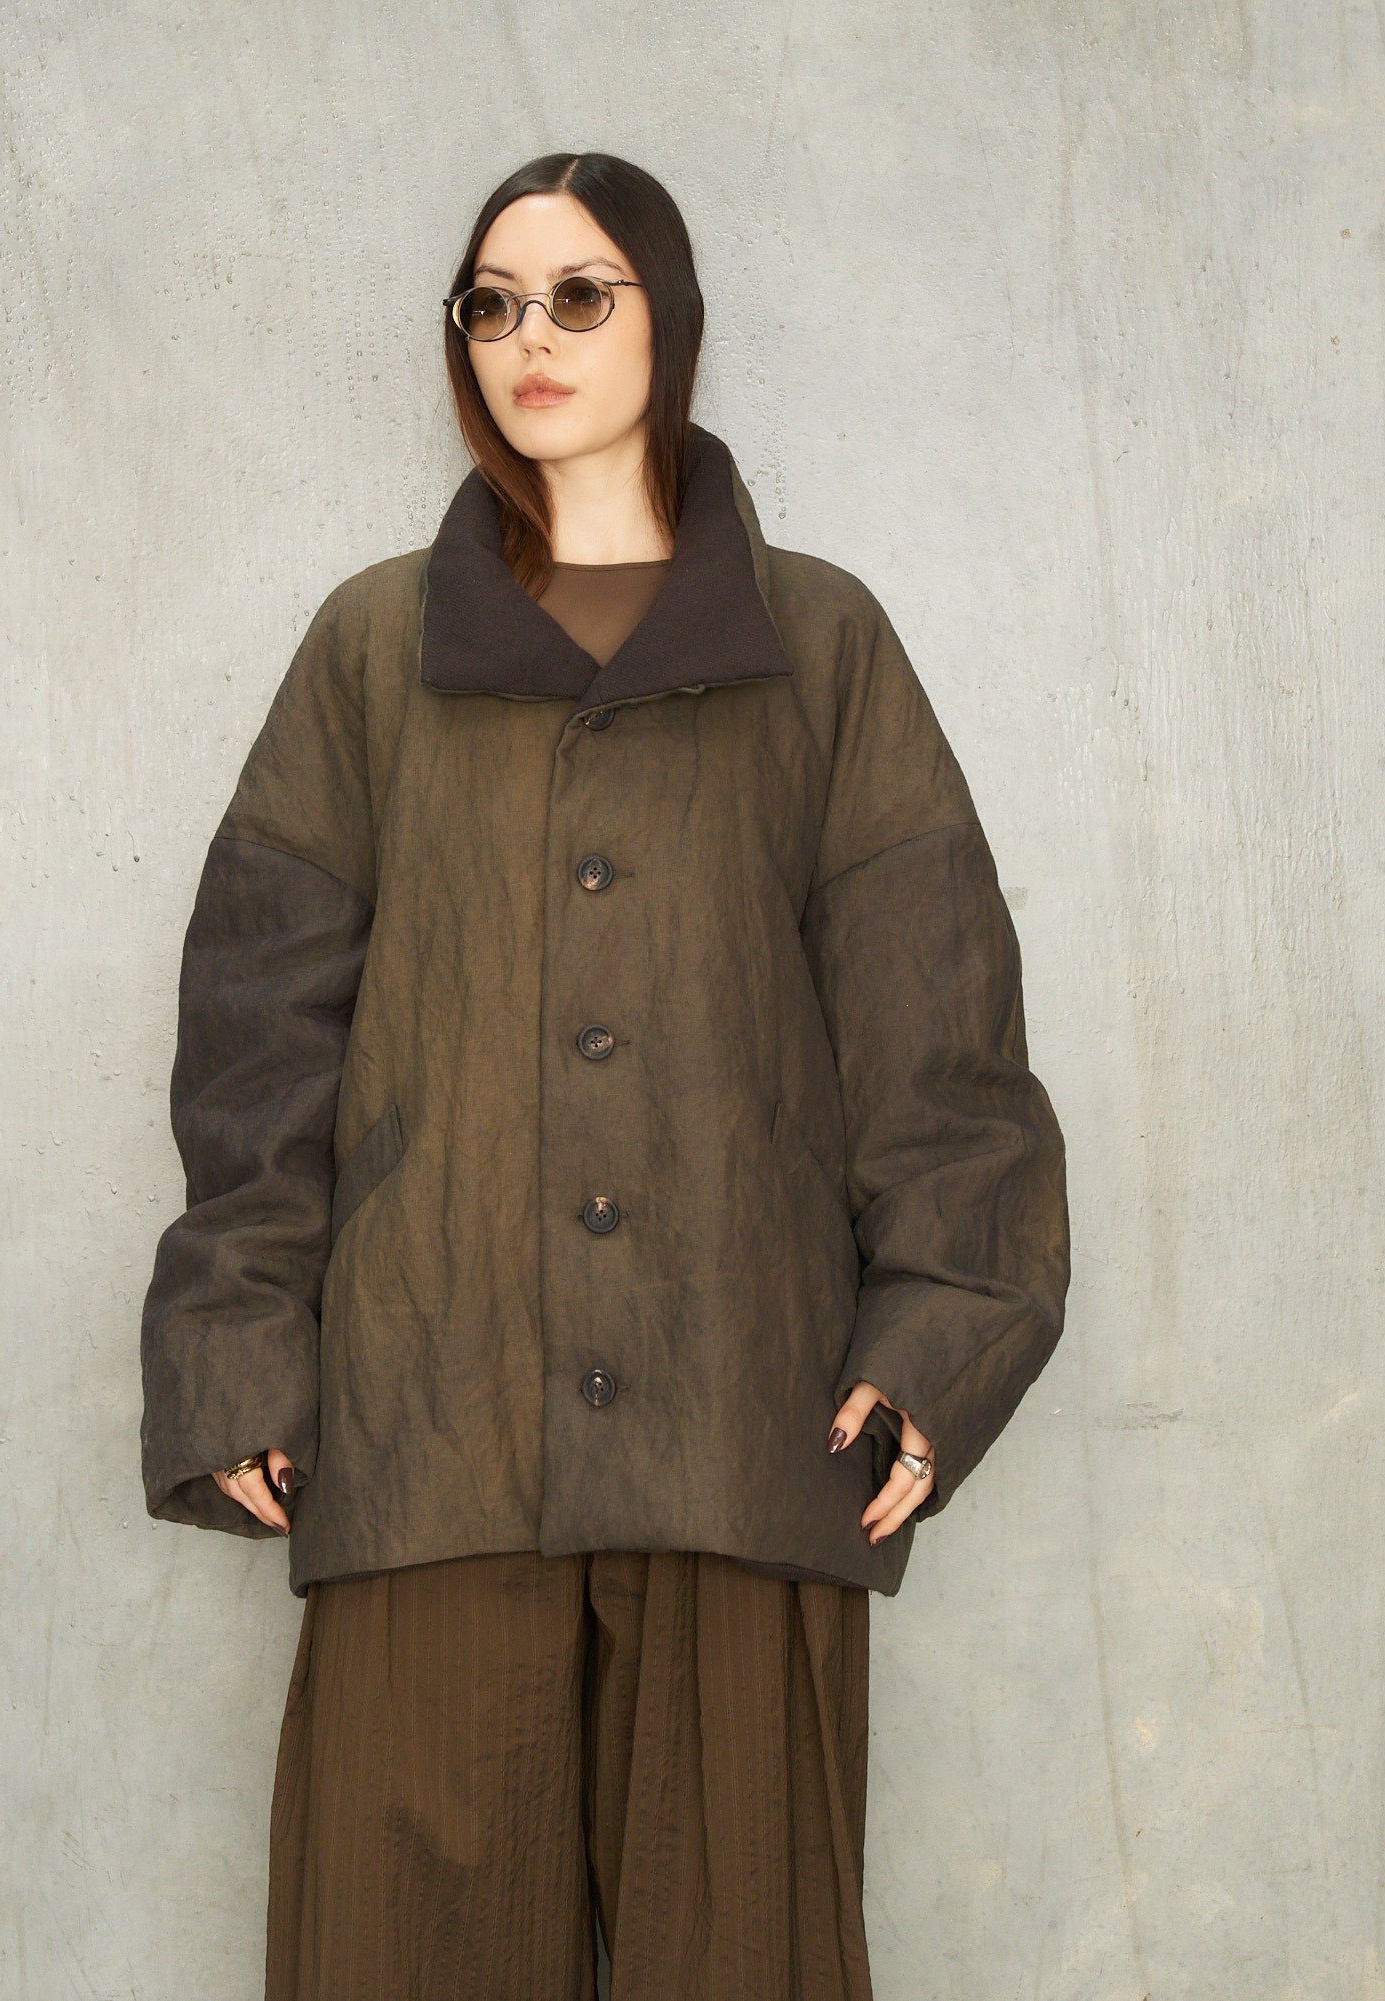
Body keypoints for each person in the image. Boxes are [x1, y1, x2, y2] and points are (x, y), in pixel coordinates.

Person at [138, 150, 1071, 2001]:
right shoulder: (372, 649)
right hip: (426, 1428)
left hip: (748, 1424)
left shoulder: (821, 645)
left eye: (580, 293)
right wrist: (237, 1343)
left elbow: (937, 1026)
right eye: (491, 302)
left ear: (671, 318)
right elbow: (257, 1036)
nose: (530, 337)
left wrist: (944, 1331)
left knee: (744, 1960)